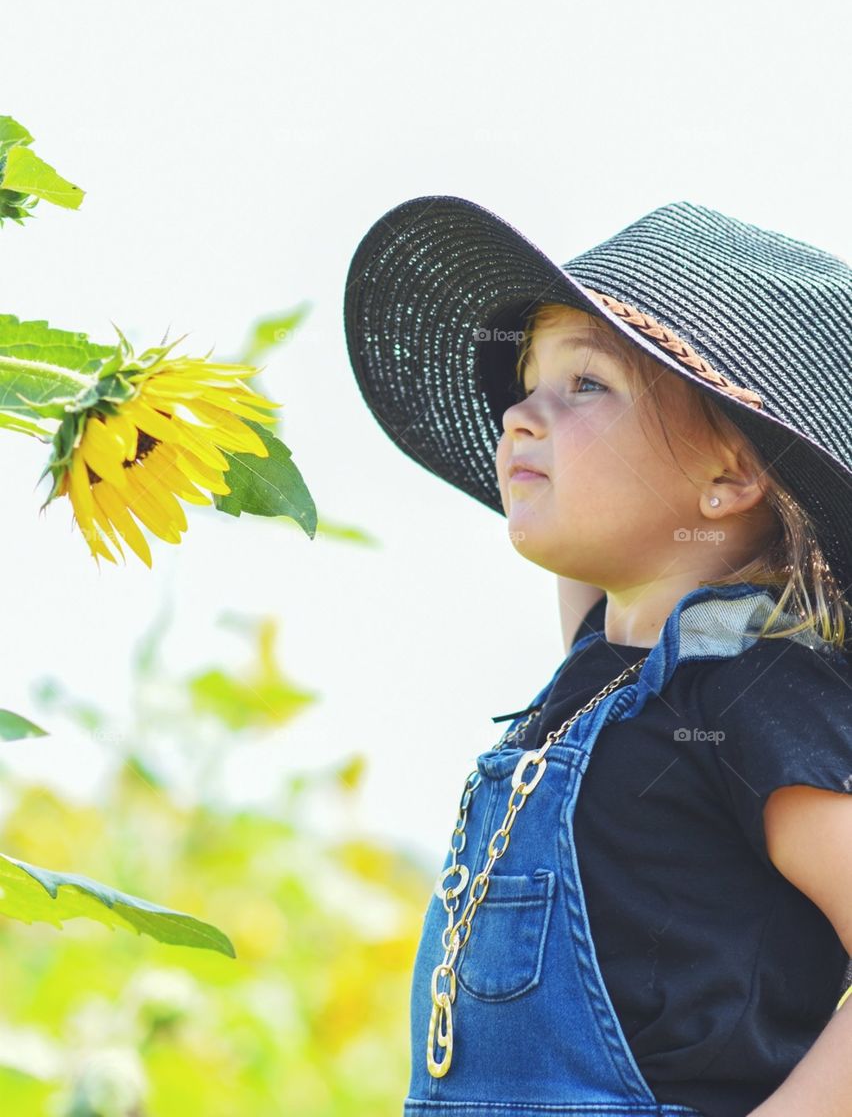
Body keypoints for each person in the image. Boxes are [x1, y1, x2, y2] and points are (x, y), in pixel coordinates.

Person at [343, 196, 852, 1117]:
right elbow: (599, 553)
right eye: (524, 382)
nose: (518, 415)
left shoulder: (749, 688)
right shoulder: (598, 664)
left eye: (586, 385)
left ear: (730, 476)